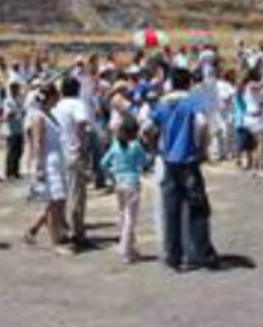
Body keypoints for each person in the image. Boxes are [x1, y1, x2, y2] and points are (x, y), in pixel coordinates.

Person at [144, 68, 219, 271]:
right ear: (187, 83)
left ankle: (173, 255)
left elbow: (147, 127)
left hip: (169, 161)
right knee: (198, 208)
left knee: (171, 210)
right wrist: (202, 147)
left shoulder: (163, 103)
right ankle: (204, 253)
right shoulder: (192, 101)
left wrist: (154, 147)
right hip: (189, 160)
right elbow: (202, 124)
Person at [24, 84, 69, 253]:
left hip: (57, 160)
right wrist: (39, 167)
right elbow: (37, 143)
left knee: (58, 200)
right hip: (48, 162)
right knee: (54, 201)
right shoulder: (38, 117)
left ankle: (35, 229)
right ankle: (55, 241)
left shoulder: (50, 115)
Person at [101, 114, 148, 263]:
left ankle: (131, 248)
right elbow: (145, 161)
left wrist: (111, 173)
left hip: (118, 183)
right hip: (132, 184)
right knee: (130, 219)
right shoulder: (136, 145)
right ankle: (125, 250)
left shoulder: (115, 145)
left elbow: (103, 163)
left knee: (123, 215)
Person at [54, 76, 93, 250]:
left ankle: (62, 229)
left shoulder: (57, 106)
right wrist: (82, 145)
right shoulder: (77, 104)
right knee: (77, 194)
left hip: (58, 153)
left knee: (62, 194)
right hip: (73, 153)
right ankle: (77, 233)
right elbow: (81, 123)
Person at [4, 83, 25, 179]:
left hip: (19, 128)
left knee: (19, 151)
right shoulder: (8, 101)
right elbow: (8, 115)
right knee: (12, 152)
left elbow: (23, 110)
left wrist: (21, 112)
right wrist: (15, 112)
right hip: (11, 130)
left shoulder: (19, 100)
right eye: (15, 89)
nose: (17, 91)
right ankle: (9, 172)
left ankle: (16, 171)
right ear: (11, 90)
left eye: (18, 89)